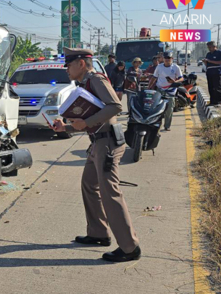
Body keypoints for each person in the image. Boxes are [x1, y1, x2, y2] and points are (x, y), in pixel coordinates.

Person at [52, 47, 141, 263]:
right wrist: (66, 128)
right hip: (97, 143)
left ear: (81, 64)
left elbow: (115, 106)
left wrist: (86, 123)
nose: (66, 69)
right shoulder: (84, 84)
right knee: (89, 185)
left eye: (69, 65)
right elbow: (90, 118)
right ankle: (98, 233)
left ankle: (130, 248)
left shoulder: (96, 79)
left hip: (107, 143)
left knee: (110, 193)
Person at [148, 51, 183, 131]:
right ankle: (155, 124)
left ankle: (167, 126)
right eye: (166, 58)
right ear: (163, 59)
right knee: (156, 108)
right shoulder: (159, 67)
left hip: (171, 91)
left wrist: (175, 82)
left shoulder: (175, 67)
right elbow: (154, 78)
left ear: (172, 59)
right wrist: (149, 87)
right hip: (160, 89)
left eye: (169, 58)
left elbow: (181, 78)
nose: (167, 60)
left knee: (169, 109)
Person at [203, 41, 221, 107]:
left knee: (217, 87)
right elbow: (207, 64)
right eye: (208, 47)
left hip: (216, 72)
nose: (209, 48)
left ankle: (218, 102)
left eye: (210, 47)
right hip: (209, 72)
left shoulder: (219, 53)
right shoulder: (208, 54)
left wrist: (210, 61)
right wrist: (205, 62)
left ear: (214, 46)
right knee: (211, 87)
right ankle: (212, 101)